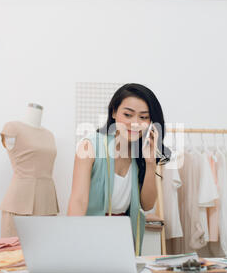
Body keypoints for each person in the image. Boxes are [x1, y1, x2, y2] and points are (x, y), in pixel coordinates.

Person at [67, 83, 171, 255]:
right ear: (114, 112)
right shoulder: (90, 146)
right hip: (89, 234)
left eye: (143, 117)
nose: (135, 123)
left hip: (124, 237)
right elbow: (78, 200)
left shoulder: (144, 153)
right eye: (128, 115)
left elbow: (147, 204)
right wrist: (73, 243)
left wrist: (151, 162)